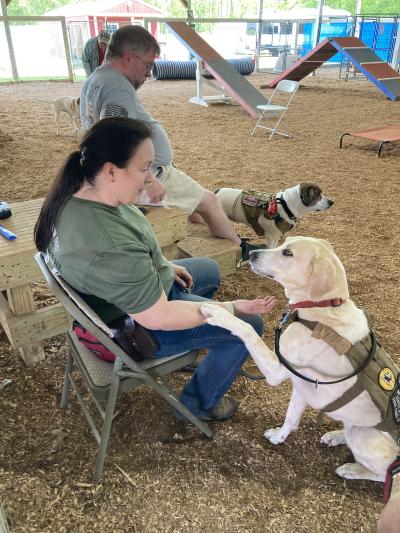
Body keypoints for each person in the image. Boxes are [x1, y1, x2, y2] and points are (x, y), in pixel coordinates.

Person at [34, 117, 277, 422]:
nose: (150, 177)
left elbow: (129, 257)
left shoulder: (78, 193)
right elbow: (158, 316)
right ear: (111, 170)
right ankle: (196, 405)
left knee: (209, 270)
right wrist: (228, 308)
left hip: (129, 299)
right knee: (249, 325)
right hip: (137, 330)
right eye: (144, 167)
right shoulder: (110, 243)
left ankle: (196, 344)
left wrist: (163, 265)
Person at [79, 24, 262, 261]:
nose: (148, 73)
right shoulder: (117, 87)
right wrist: (149, 179)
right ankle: (242, 249)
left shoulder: (97, 77)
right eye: (147, 65)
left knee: (194, 205)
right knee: (209, 200)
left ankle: (208, 237)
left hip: (135, 170)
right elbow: (115, 138)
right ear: (128, 58)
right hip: (145, 171)